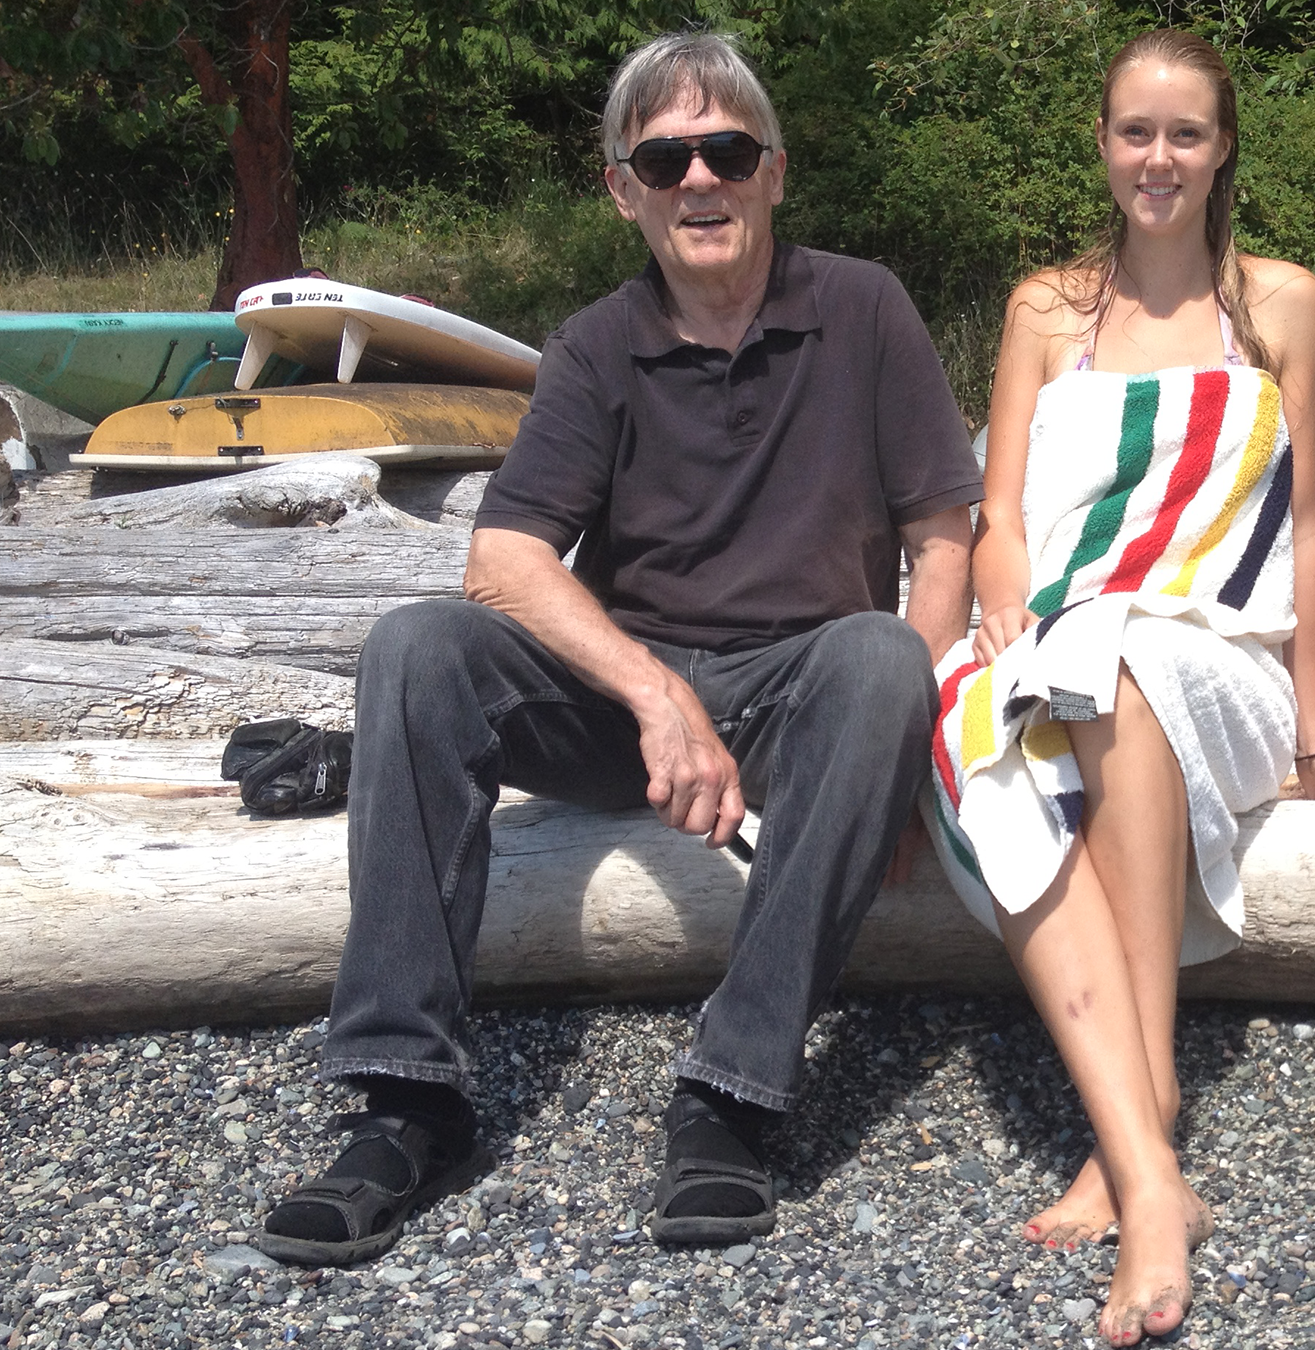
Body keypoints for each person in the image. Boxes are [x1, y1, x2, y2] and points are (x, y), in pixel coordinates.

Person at [250, 30, 981, 1266]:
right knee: (419, 650)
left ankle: (733, 1097)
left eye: (728, 151)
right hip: (631, 707)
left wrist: (913, 751)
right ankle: (404, 1098)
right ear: (623, 187)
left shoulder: (864, 307)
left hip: (808, 688)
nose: (701, 180)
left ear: (774, 171)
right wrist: (654, 694)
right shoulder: (596, 343)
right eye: (667, 157)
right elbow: (506, 561)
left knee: (883, 664)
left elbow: (942, 540)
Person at [923, 28, 1315, 1347]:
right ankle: (1150, 1154)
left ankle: (1140, 1145)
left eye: (1186, 134)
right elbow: (995, 513)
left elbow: (1309, 524)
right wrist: (999, 592)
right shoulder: (1046, 309)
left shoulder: (1281, 303)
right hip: (1065, 638)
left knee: (1130, 659)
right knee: (993, 708)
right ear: (1102, 144)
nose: (1157, 158)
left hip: (1225, 654)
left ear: (1223, 152)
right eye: (1134, 132)